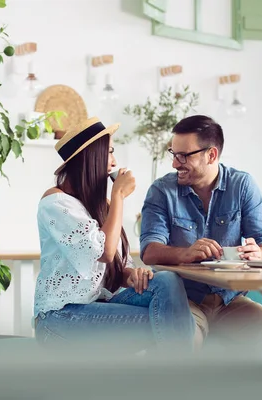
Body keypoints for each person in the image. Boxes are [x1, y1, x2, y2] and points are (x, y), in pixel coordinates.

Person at [34, 117, 195, 354]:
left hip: (98, 304)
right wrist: (118, 195)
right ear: (91, 156)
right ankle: (182, 381)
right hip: (60, 317)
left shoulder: (101, 205)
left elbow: (117, 267)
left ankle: (176, 378)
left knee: (167, 280)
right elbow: (105, 252)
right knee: (166, 321)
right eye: (109, 152)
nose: (114, 161)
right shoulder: (56, 203)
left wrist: (132, 276)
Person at [140, 115, 262, 352]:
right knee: (185, 348)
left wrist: (258, 254)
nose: (175, 163)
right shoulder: (162, 191)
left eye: (183, 156)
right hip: (184, 300)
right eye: (173, 154)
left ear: (211, 155)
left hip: (231, 302)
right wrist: (186, 253)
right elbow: (149, 251)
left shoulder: (242, 185)